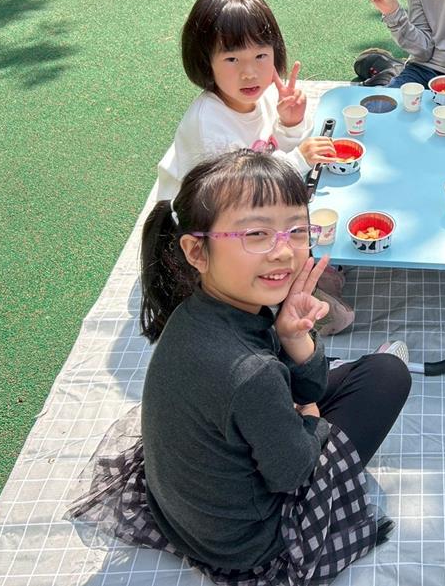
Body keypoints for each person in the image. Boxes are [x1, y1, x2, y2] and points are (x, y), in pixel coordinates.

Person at [68, 150, 412, 585]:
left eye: (296, 230)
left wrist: (293, 338)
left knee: (332, 372)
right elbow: (293, 473)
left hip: (189, 514)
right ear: (196, 251)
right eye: (256, 234)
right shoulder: (251, 372)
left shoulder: (197, 311)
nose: (283, 251)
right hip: (249, 544)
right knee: (386, 377)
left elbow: (292, 384)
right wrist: (309, 418)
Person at [156, 0, 350, 336]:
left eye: (261, 56)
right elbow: (242, 196)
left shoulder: (260, 95)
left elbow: (268, 150)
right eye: (232, 60)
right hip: (209, 227)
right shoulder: (209, 123)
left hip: (245, 208)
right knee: (330, 309)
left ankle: (296, 281)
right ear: (205, 62)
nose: (250, 72)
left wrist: (289, 123)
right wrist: (298, 159)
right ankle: (279, 305)